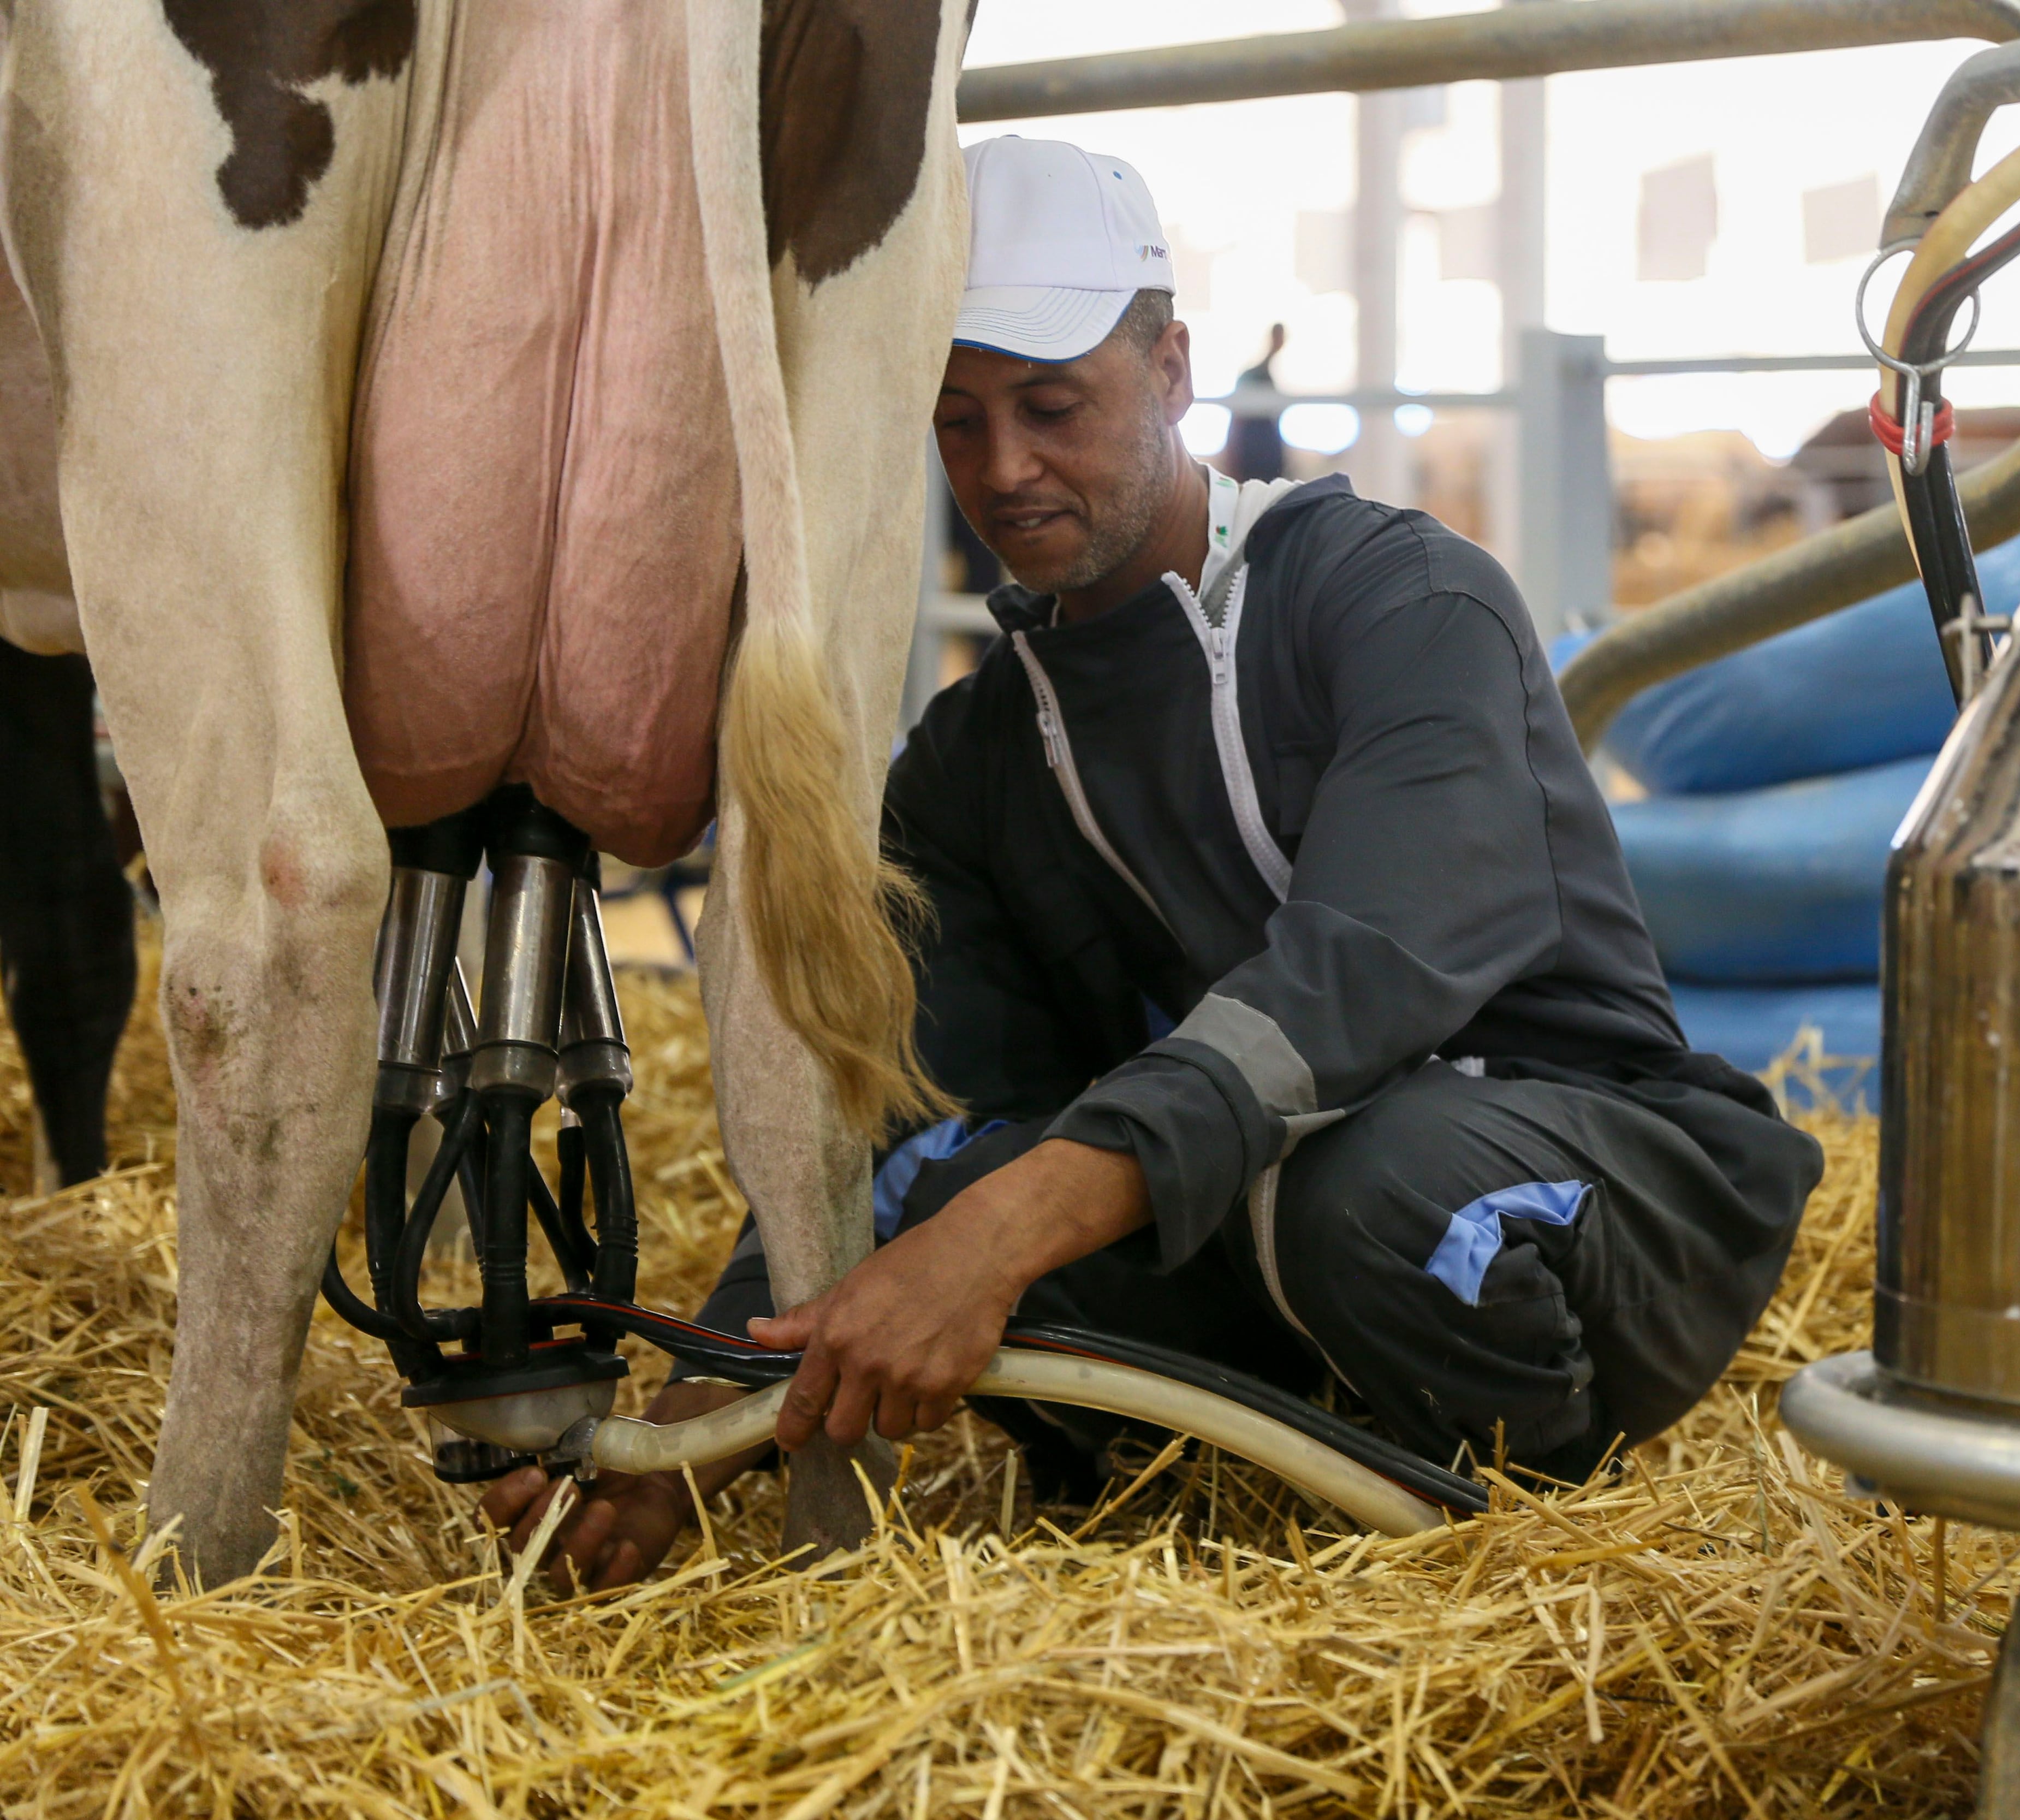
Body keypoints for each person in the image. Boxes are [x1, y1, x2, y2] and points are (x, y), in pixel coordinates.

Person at [484, 135, 1822, 1592]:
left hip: (1566, 1167)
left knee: (1359, 1183)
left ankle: (1526, 1524)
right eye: (957, 421)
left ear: (1175, 366)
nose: (1005, 470)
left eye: (1053, 405)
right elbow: (914, 1107)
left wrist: (1007, 1230)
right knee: (933, 1179)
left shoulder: (1402, 597)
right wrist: (698, 1432)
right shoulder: (977, 750)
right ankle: (1271, 1443)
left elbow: (1357, 975)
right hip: (1255, 1204)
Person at [1220, 322, 1289, 483]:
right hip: (1252, 454)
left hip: (1267, 454)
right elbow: (1236, 420)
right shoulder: (1251, 376)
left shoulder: (1265, 376)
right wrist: (1231, 458)